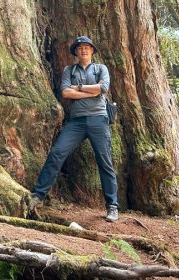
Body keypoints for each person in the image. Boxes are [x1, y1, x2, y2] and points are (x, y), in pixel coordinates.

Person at [29, 35, 119, 222]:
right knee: (57, 153)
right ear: (76, 52)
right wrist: (89, 90)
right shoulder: (69, 70)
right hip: (76, 122)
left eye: (87, 47)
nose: (83, 50)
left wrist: (78, 89)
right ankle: (38, 196)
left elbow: (102, 89)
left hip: (98, 120)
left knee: (105, 162)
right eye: (79, 48)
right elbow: (65, 93)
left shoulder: (100, 68)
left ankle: (112, 206)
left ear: (92, 50)